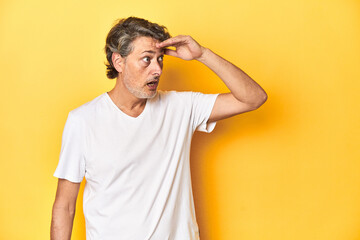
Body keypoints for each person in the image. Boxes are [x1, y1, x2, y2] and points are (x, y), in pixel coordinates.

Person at [50, 17, 267, 240]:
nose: (157, 70)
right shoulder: (83, 120)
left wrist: (203, 54)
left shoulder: (181, 107)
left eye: (160, 59)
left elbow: (253, 98)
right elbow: (64, 206)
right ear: (119, 62)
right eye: (146, 59)